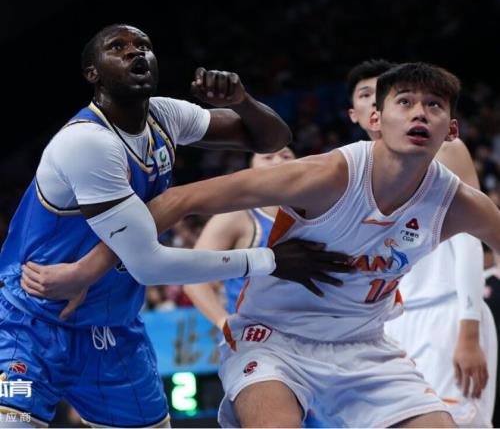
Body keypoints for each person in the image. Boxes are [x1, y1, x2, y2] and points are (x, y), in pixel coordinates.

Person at [25, 62, 500, 427]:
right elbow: (177, 200)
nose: (420, 113)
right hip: (273, 340)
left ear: (451, 129)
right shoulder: (326, 176)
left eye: (434, 106)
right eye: (406, 102)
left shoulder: (457, 203)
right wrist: (87, 270)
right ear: (375, 118)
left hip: (366, 345)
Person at [0, 24, 348, 428]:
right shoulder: (87, 143)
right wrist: (268, 259)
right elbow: (148, 264)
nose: (135, 52)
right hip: (31, 321)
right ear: (93, 73)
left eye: (143, 45)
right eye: (118, 47)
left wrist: (242, 101)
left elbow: (271, 139)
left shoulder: (165, 115)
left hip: (113, 328)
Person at [347, 59, 497, 427]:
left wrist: (468, 328)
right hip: (388, 326)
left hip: (447, 313)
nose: (372, 101)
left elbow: (468, 239)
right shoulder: (351, 167)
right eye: (365, 95)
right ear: (360, 114)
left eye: (380, 93)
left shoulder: (445, 150)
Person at [183, 147, 297, 329]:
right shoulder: (236, 216)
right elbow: (193, 279)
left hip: (312, 334)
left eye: (286, 155)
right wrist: (223, 322)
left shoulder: (319, 212)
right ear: (251, 170)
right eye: (267, 157)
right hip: (257, 338)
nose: (278, 161)